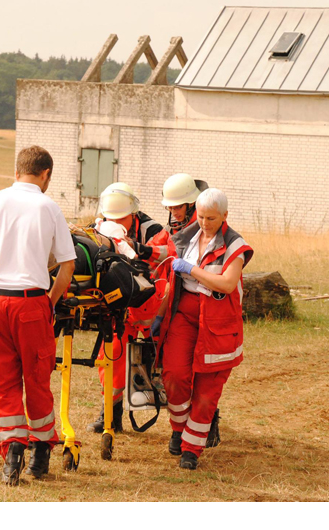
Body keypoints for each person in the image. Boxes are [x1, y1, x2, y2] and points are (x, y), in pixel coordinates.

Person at [0, 145, 76, 486]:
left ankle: (12, 455)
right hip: (29, 302)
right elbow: (67, 265)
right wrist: (49, 303)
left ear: (17, 170)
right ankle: (40, 453)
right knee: (37, 376)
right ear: (46, 174)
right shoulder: (48, 207)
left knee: (4, 378)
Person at [155, 188, 253, 470]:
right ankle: (179, 428)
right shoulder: (186, 239)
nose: (205, 223)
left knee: (207, 392)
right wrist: (161, 316)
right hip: (184, 312)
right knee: (173, 375)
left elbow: (226, 283)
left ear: (224, 216)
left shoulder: (235, 246)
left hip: (218, 321)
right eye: (200, 217)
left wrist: (191, 270)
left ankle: (191, 449)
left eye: (211, 218)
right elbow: (173, 282)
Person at [86, 182, 164, 433]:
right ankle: (110, 414)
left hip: (152, 306)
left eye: (121, 218)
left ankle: (194, 421)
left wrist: (140, 253)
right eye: (112, 218)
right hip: (118, 303)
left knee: (173, 363)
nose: (116, 222)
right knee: (110, 356)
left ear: (133, 215)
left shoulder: (154, 231)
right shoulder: (98, 229)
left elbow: (165, 260)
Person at [146, 173, 208, 267]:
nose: (174, 213)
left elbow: (175, 251)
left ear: (191, 203)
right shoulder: (175, 225)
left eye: (178, 207)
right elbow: (157, 242)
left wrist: (147, 251)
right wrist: (138, 251)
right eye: (170, 208)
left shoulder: (202, 227)